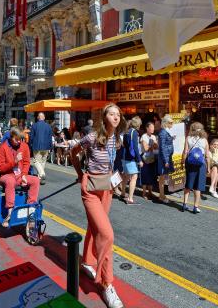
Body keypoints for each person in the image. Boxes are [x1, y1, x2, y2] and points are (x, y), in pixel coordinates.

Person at [69, 103, 126, 308]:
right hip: (91, 187)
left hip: (106, 187)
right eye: (112, 113)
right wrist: (79, 174)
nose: (116, 116)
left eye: (118, 114)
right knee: (107, 234)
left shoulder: (116, 139)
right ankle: (107, 283)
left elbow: (111, 163)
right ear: (104, 117)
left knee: (95, 229)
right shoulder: (92, 137)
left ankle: (87, 261)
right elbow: (74, 152)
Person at [0, 127, 40, 227]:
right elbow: (0, 168)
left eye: (21, 139)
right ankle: (10, 212)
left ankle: (31, 209)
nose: (19, 141)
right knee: (10, 181)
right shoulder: (2, 148)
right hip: (6, 175)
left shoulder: (24, 146)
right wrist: (14, 162)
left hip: (20, 175)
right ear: (11, 137)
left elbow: (26, 162)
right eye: (17, 139)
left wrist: (24, 175)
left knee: (36, 180)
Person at [181, 122, 211, 214]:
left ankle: (185, 204)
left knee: (188, 184)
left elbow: (185, 152)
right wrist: (208, 167)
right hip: (201, 164)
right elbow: (207, 156)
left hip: (190, 163)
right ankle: (195, 207)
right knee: (198, 186)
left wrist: (182, 162)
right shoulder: (204, 140)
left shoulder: (188, 138)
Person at [120, 116, 142, 204]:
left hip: (125, 157)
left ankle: (122, 193)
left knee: (126, 176)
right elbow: (136, 148)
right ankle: (130, 198)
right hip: (131, 158)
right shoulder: (134, 133)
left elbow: (124, 145)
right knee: (134, 177)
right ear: (138, 124)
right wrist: (139, 159)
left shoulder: (127, 132)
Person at [29, 112, 53, 184]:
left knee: (36, 161)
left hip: (37, 146)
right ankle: (40, 178)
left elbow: (31, 137)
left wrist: (30, 145)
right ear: (44, 118)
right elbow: (50, 137)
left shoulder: (34, 125)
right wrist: (50, 147)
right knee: (43, 161)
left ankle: (42, 174)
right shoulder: (48, 126)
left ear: (38, 118)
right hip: (46, 147)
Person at [157, 115, 175, 203]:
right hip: (165, 158)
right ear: (166, 123)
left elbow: (166, 144)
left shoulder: (166, 132)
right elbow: (162, 147)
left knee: (163, 177)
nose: (172, 124)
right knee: (162, 177)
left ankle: (162, 194)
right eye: (171, 123)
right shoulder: (163, 132)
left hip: (167, 156)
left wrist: (171, 138)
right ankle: (161, 195)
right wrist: (166, 160)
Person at [140, 122, 159, 200]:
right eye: (151, 127)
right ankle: (144, 193)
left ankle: (150, 192)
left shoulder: (154, 136)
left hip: (152, 158)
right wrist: (152, 146)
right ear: (147, 128)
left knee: (151, 176)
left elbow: (156, 147)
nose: (153, 129)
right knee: (145, 176)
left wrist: (151, 146)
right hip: (145, 159)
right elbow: (145, 149)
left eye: (153, 127)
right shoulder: (144, 136)